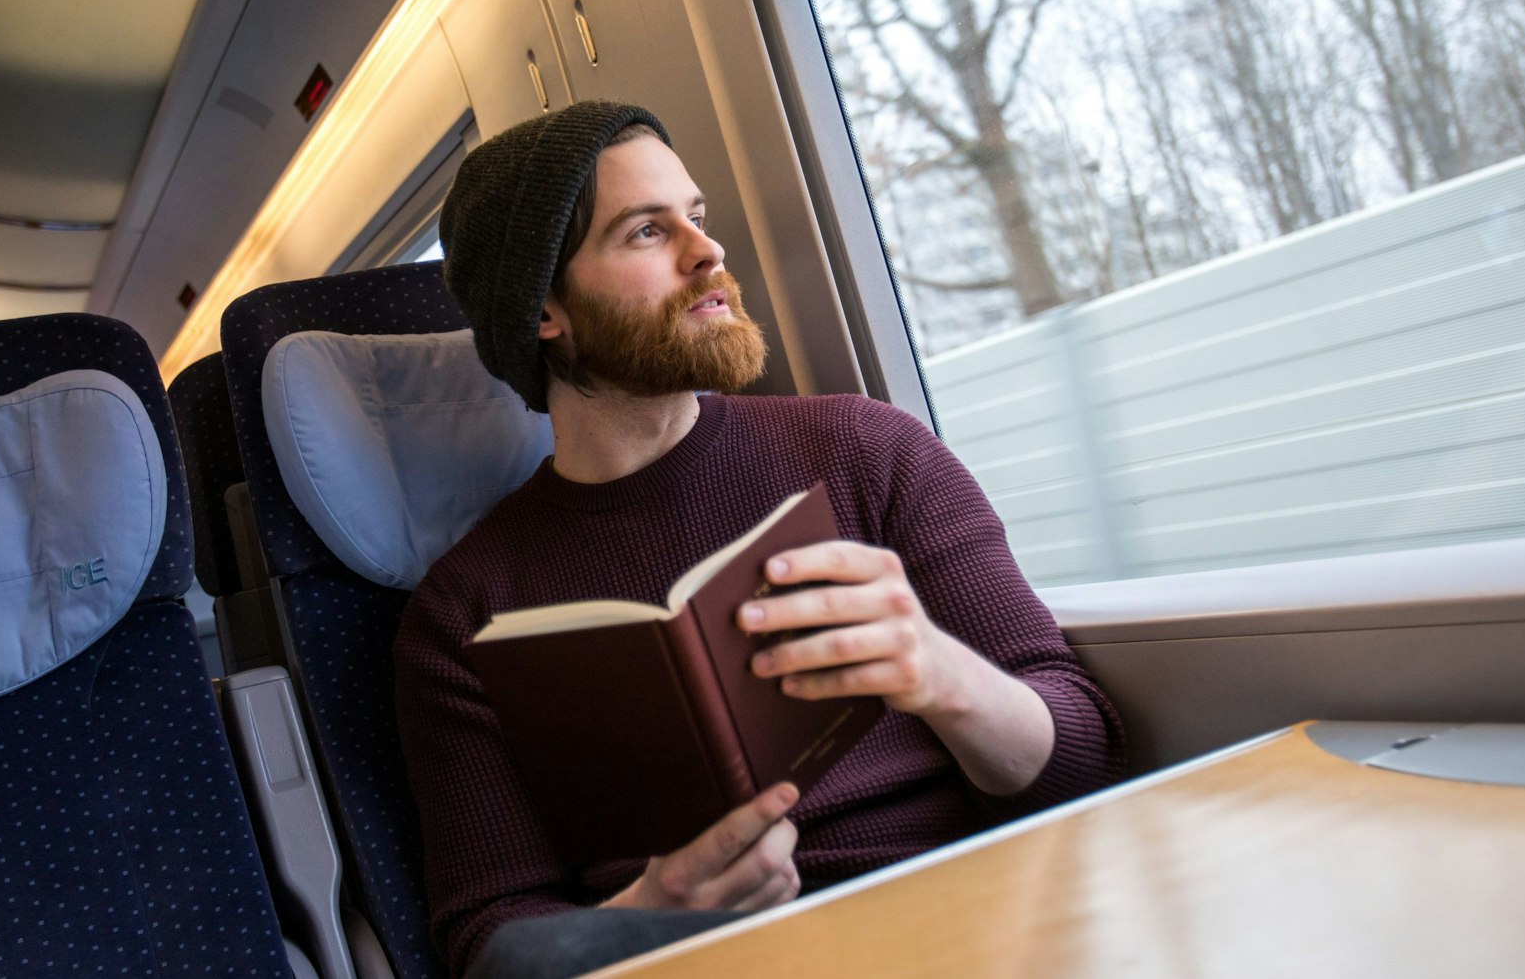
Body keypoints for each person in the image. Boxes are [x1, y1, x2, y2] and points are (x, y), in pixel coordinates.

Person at [393, 101, 1123, 978]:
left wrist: (941, 673)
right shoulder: (464, 611)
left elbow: (1084, 753)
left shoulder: (865, 448)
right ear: (545, 308)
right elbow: (488, 939)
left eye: (696, 218)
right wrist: (649, 914)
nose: (708, 253)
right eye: (645, 232)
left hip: (983, 921)